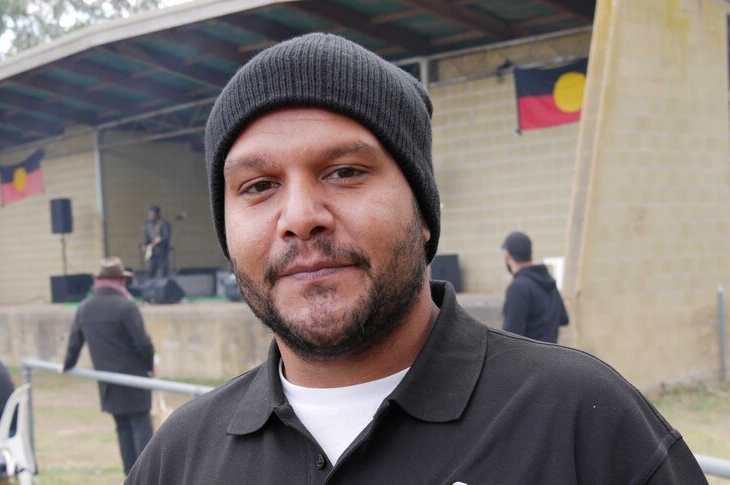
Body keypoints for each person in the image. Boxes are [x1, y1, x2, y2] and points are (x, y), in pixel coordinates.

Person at [126, 33, 708, 483]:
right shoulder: (179, 457)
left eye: (345, 171)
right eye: (258, 186)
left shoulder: (583, 420)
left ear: (424, 212)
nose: (300, 216)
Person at [63, 257, 156, 475]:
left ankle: (131, 476)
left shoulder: (85, 308)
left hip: (109, 384)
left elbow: (74, 342)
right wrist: (150, 365)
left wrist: (67, 365)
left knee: (123, 429)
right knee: (141, 428)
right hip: (133, 380)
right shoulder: (126, 307)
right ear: (121, 280)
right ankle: (147, 477)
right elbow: (143, 343)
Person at [501, 230, 569, 343]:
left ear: (507, 256)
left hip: (528, 359)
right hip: (551, 356)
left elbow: (511, 337)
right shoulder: (548, 281)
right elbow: (563, 318)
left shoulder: (518, 288)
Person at [140, 205, 171, 279]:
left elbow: (166, 237)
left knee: (164, 275)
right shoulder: (148, 225)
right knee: (150, 274)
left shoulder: (163, 224)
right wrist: (144, 245)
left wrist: (159, 240)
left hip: (162, 253)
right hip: (152, 254)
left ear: (157, 214)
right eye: (149, 214)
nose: (150, 216)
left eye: (152, 214)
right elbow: (147, 238)